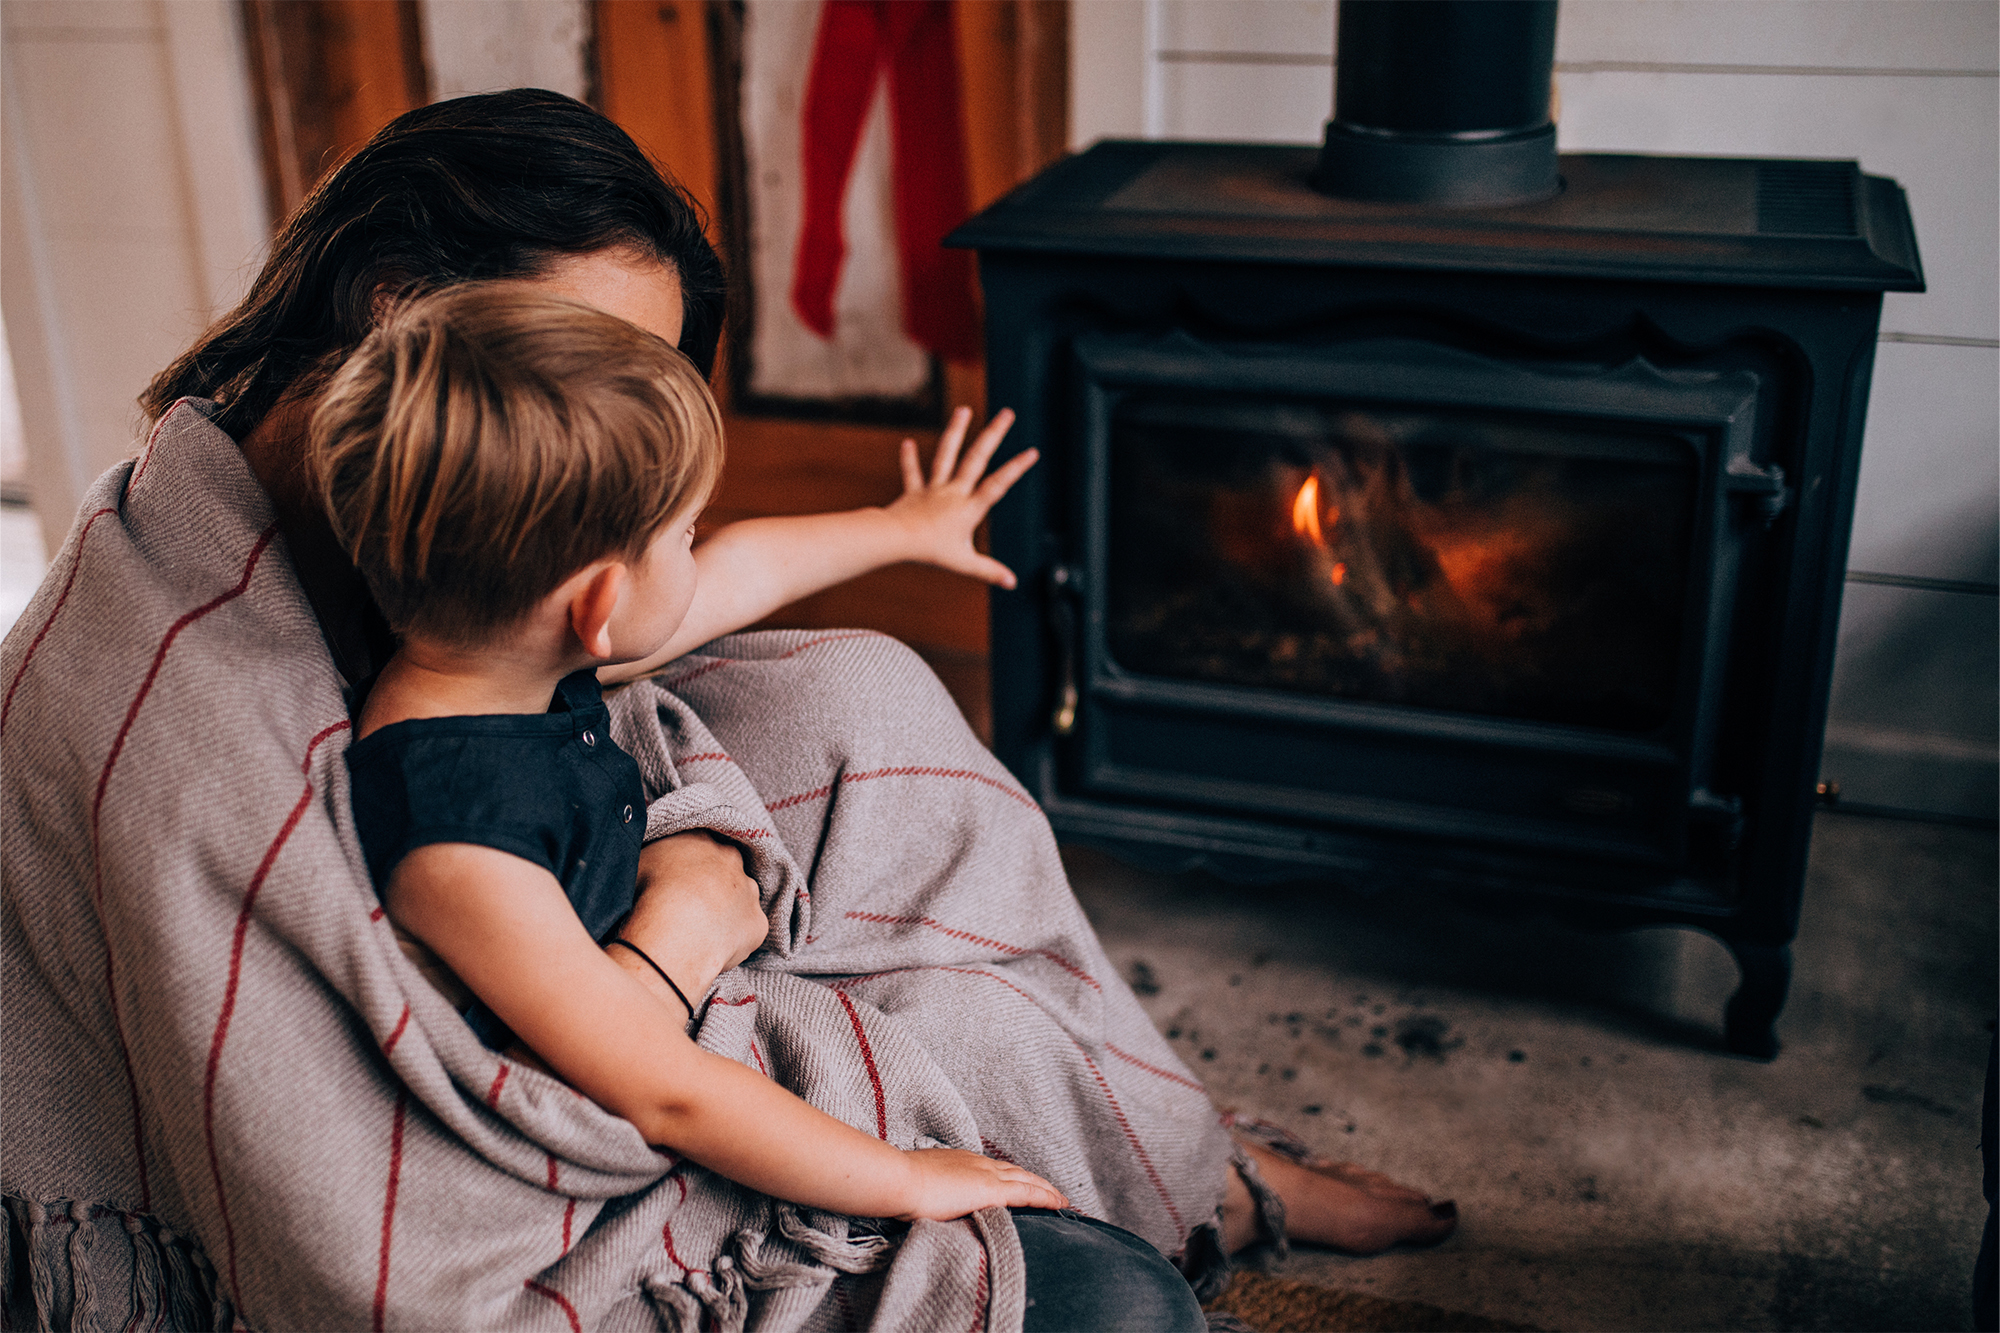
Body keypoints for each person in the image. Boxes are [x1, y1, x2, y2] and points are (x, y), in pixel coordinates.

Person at [1, 90, 1451, 1332]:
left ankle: (1177, 1148)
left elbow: (690, 604)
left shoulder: (451, 532)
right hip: (578, 1032)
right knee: (1065, 1212)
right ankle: (1169, 1169)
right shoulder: (191, 717)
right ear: (402, 315)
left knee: (863, 690)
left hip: (580, 882)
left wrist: (899, 524)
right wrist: (690, 931)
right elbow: (426, 1158)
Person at [320, 281, 1068, 1224]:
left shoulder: (497, 647)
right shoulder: (458, 840)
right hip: (631, 1096)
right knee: (976, 1042)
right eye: (683, 533)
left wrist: (904, 527)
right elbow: (661, 1088)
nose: (700, 547)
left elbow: (743, 570)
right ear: (597, 605)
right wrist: (906, 1180)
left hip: (680, 975)